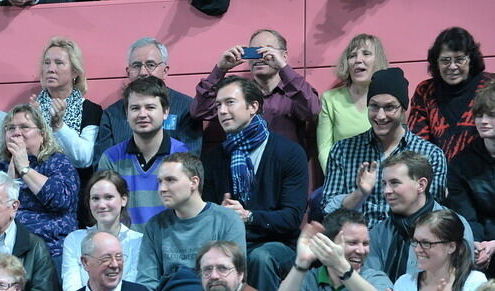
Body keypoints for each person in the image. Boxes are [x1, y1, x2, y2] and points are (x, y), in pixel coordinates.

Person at [200, 76, 309, 291]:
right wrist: (220, 214)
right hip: (231, 243)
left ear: (253, 107)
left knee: (260, 258)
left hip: (279, 243)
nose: (221, 111)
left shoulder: (289, 153)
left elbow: (291, 218)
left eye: (230, 102)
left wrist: (249, 216)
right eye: (218, 105)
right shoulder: (214, 159)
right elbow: (206, 214)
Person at [322, 67, 448, 229]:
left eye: (389, 107)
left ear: (403, 109)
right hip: (357, 245)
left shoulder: (430, 155)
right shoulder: (343, 150)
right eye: (374, 106)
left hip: (408, 243)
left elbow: (433, 215)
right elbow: (329, 211)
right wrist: (360, 193)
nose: (380, 116)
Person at [0, 105, 80, 260]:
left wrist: (25, 169)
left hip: (50, 249)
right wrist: (7, 180)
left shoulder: (57, 162)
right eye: (10, 128)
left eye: (24, 127)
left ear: (42, 134)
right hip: (1, 249)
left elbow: (61, 200)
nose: (16, 133)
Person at [137, 153, 246, 291]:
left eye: (170, 180)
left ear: (194, 182)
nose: (162, 189)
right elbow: (147, 284)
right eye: (160, 182)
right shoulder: (155, 226)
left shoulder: (226, 220)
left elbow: (233, 278)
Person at [190, 28, 320, 146]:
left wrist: (283, 68)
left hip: (285, 167)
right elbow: (199, 111)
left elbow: (312, 110)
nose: (260, 58)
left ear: (284, 56)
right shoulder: (237, 94)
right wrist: (219, 69)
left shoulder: (295, 91)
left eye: (266, 51)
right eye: (254, 52)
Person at [367, 151, 474, 282]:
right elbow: (372, 283)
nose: (386, 191)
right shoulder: (378, 233)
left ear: (421, 185)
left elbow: (461, 281)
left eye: (395, 183)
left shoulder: (455, 226)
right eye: (384, 183)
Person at [97, 76, 189, 227]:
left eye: (150, 107)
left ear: (165, 112)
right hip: (125, 247)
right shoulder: (111, 158)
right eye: (135, 108)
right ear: (126, 113)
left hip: (168, 245)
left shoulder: (182, 156)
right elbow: (105, 214)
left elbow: (188, 213)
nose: (142, 114)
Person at [94, 37, 202, 162]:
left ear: (165, 71)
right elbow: (102, 167)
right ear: (128, 72)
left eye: (151, 65)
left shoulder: (186, 108)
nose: (143, 72)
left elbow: (190, 164)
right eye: (136, 65)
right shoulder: (111, 114)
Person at [409, 27, 495, 162]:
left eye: (460, 59)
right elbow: (417, 145)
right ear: (436, 62)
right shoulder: (425, 91)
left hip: (483, 177)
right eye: (445, 60)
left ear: (471, 60)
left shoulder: (490, 85)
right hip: (437, 176)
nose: (452, 66)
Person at [316, 34, 390, 173]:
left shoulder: (389, 99)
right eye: (352, 56)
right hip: (342, 179)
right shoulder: (330, 99)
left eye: (366, 54)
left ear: (378, 61)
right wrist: (336, 180)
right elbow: (324, 149)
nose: (358, 60)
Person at [62, 171, 142, 291]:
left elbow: (133, 289)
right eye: (95, 198)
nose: (101, 205)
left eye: (108, 197)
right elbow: (72, 290)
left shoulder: (138, 241)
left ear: (123, 199)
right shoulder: (74, 240)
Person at [34, 37, 102, 170]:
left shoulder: (91, 110)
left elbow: (85, 158)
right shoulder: (31, 110)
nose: (51, 69)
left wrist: (59, 126)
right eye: (47, 63)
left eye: (59, 63)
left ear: (75, 72)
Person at [449, 82, 495, 271]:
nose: (483, 121)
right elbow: (466, 215)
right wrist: (477, 245)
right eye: (479, 115)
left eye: (491, 115)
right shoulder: (462, 163)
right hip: (480, 248)